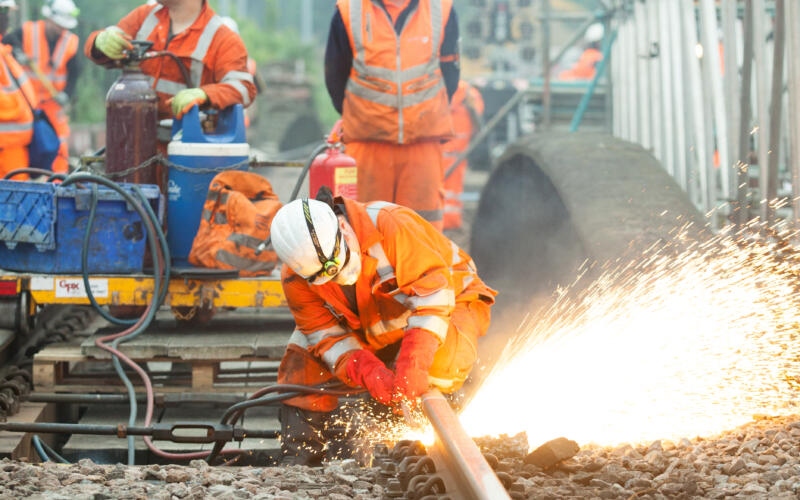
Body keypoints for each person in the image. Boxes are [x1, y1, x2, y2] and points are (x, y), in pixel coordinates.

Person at [269, 194, 496, 464]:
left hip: (449, 299)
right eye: (324, 277)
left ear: (342, 227)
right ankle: (301, 455)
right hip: (372, 320)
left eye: (337, 264)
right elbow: (326, 337)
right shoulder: (296, 277)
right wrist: (372, 375)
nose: (339, 277)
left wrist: (413, 365)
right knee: (301, 356)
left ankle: (444, 427)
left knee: (440, 365)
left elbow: (434, 299)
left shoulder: (391, 224)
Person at [324, 0, 461, 231]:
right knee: (365, 231)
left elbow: (451, 72)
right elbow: (335, 74)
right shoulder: (349, 10)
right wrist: (360, 117)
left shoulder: (441, 8)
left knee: (421, 235)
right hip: (367, 146)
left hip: (422, 145)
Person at [84, 0, 256, 125]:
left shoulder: (223, 38)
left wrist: (205, 94)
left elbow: (243, 88)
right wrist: (99, 41)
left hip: (185, 152)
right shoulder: (144, 17)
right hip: (132, 141)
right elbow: (104, 44)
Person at [4, 0, 80, 174]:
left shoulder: (70, 42)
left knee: (59, 143)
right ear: (49, 19)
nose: (62, 30)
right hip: (28, 102)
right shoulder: (28, 31)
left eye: (64, 27)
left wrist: (67, 94)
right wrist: (16, 52)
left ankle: (57, 182)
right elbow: (7, 42)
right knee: (25, 141)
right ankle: (27, 175)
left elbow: (75, 73)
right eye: (59, 25)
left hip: (53, 104)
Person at [0, 0, 39, 180]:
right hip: (6, 147)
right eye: (3, 11)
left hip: (15, 148)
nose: (7, 18)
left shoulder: (4, 52)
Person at [442, 80, 484, 231]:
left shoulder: (435, 90)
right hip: (458, 154)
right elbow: (478, 117)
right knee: (453, 191)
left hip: (435, 152)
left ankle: (436, 224)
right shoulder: (469, 94)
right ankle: (451, 222)